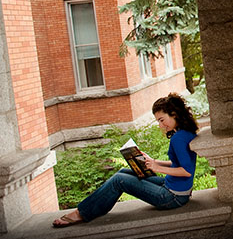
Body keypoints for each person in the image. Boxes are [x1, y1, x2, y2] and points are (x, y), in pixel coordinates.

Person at [52, 93, 199, 227]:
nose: (161, 125)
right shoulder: (184, 133)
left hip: (172, 197)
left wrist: (157, 168)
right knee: (123, 172)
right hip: (175, 189)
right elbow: (179, 164)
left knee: (119, 181)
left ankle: (81, 213)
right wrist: (153, 161)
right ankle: (92, 208)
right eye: (158, 121)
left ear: (174, 114)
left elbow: (186, 171)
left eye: (162, 120)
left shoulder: (178, 138)